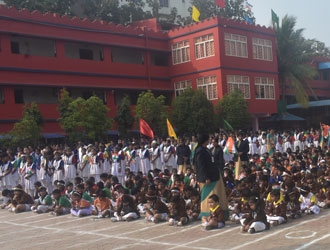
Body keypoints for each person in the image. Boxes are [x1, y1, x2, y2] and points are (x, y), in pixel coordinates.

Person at [194, 134, 228, 217]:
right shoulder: (200, 150)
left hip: (214, 175)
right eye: (208, 139)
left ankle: (220, 212)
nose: (209, 141)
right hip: (208, 178)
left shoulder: (206, 149)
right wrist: (206, 178)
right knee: (208, 196)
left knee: (217, 194)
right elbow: (201, 166)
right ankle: (207, 214)